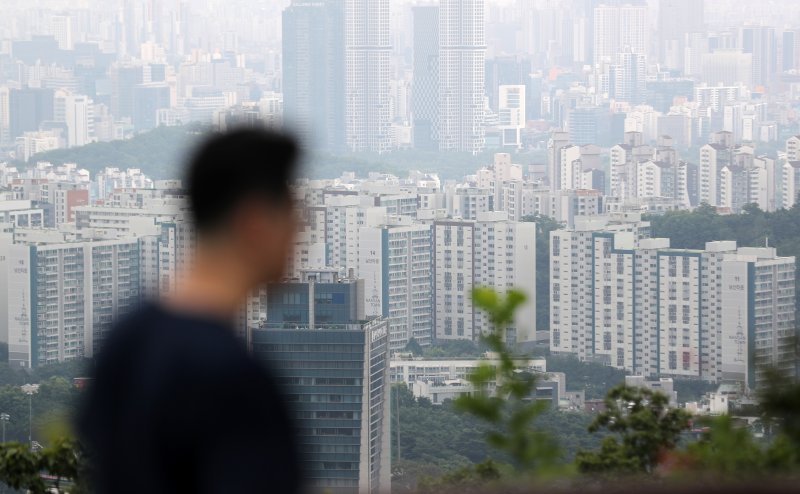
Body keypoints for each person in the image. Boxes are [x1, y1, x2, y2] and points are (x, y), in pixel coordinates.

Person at [78, 128, 303, 494]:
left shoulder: (125, 334)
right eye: (296, 218)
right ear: (256, 222)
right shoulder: (233, 377)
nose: (300, 235)